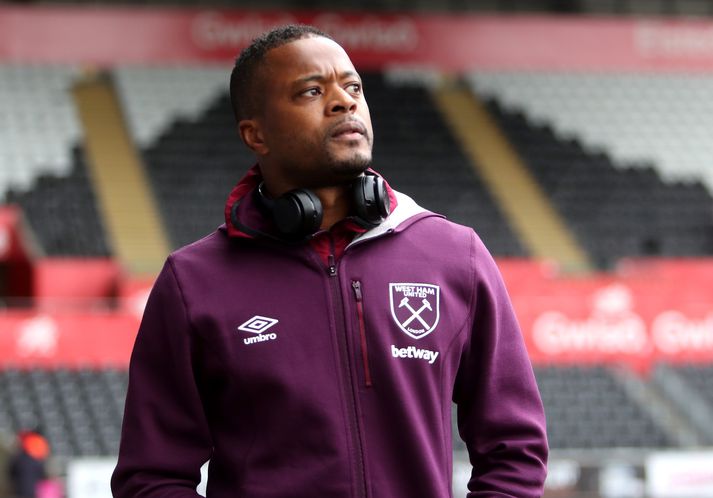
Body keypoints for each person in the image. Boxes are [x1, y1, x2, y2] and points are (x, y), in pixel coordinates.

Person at [111, 24, 548, 498]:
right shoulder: (194, 282)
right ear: (256, 135)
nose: (344, 102)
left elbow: (514, 448)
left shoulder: (455, 255)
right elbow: (151, 478)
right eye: (312, 91)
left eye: (353, 86)